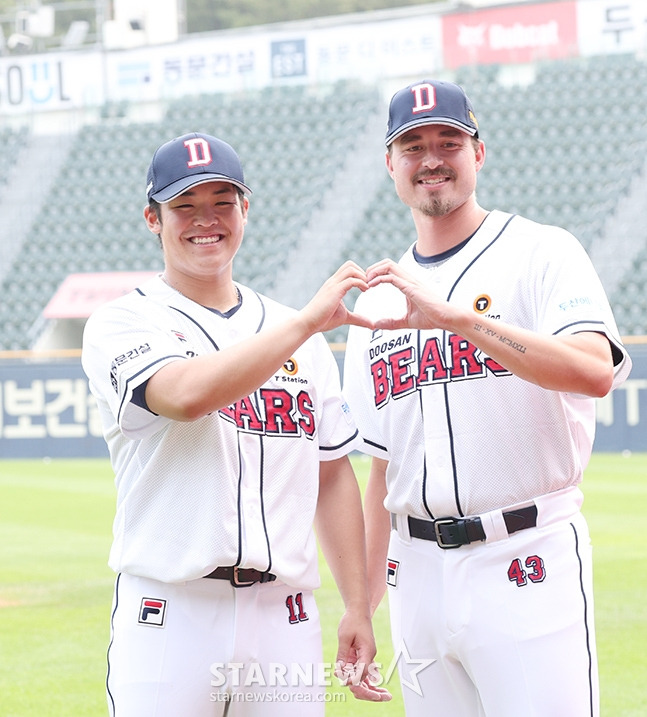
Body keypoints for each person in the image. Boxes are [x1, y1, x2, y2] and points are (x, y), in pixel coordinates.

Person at [343, 80, 632, 716]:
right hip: (414, 569)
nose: (431, 158)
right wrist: (360, 606)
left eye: (449, 140)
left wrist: (459, 320)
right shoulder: (378, 302)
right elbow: (380, 469)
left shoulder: (542, 251)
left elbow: (593, 370)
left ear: (480, 153)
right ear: (390, 165)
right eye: (411, 145)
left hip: (525, 555)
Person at [81, 132, 389, 716]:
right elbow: (186, 395)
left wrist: (357, 604)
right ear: (153, 218)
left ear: (245, 209)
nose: (207, 221)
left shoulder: (293, 329)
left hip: (284, 616)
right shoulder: (123, 322)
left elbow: (330, 476)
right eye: (185, 206)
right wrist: (303, 326)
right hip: (171, 612)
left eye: (223, 201)